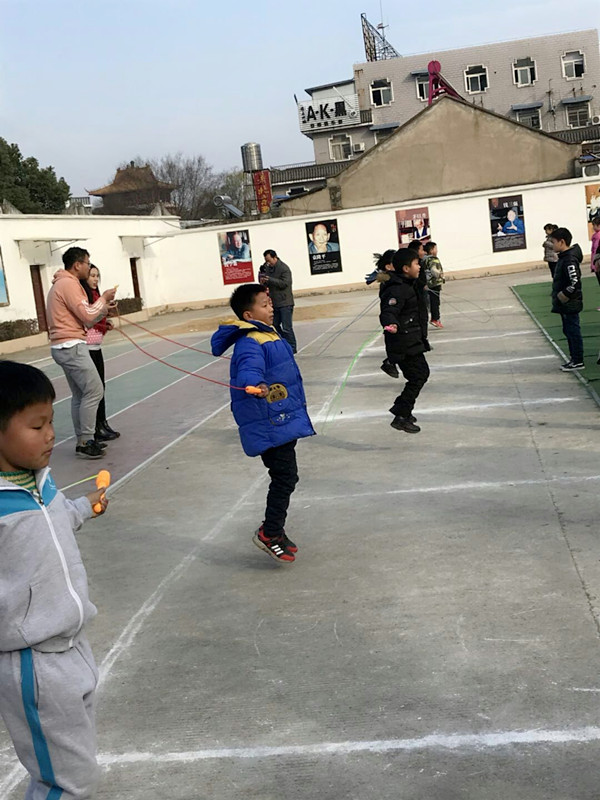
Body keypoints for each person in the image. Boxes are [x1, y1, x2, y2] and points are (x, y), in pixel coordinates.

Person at [0, 360, 108, 799]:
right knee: (67, 781)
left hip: (73, 645)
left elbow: (57, 516)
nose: (50, 435)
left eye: (50, 421)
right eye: (36, 425)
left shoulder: (39, 483)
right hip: (33, 661)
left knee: (68, 767)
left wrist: (86, 505)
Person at [210, 284, 315, 563]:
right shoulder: (250, 341)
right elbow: (248, 367)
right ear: (248, 314)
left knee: (286, 475)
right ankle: (270, 532)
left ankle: (274, 529)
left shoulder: (268, 333)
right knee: (285, 476)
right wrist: (254, 382)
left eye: (270, 303)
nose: (271, 308)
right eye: (264, 305)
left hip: (280, 417)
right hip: (268, 421)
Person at [47, 248, 116, 459]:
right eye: (87, 263)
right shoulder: (69, 284)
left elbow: (85, 316)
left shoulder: (62, 283)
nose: (89, 266)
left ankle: (82, 440)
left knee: (80, 394)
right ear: (77, 265)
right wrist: (103, 299)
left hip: (64, 345)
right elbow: (87, 315)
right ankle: (86, 440)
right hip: (71, 345)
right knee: (94, 390)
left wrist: (103, 310)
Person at [377, 248, 430, 433]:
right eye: (416, 264)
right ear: (406, 268)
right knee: (419, 375)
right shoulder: (398, 289)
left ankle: (403, 411)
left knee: (419, 375)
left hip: (411, 339)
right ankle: (401, 415)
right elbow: (388, 311)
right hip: (403, 341)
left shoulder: (408, 284)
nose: (419, 267)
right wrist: (391, 323)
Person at [80, 265, 121, 443]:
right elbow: (88, 320)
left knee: (101, 387)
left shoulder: (97, 298)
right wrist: (103, 306)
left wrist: (106, 322)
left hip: (96, 347)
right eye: (92, 275)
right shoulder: (86, 298)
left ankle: (103, 423)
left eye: (97, 276)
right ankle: (95, 428)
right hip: (87, 348)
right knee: (94, 390)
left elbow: (96, 319)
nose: (95, 279)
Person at [550, 227, 584, 371]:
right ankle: (574, 359)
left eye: (554, 242)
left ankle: (578, 360)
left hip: (570, 303)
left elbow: (575, 282)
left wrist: (564, 294)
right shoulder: (563, 257)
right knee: (568, 330)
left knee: (573, 331)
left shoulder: (569, 260)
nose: (552, 245)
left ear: (562, 242)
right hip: (565, 304)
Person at [259, 249, 297, 353]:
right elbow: (267, 284)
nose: (268, 263)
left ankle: (292, 347)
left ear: (275, 257)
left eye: (269, 260)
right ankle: (284, 343)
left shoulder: (284, 268)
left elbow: (285, 283)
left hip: (285, 302)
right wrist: (263, 281)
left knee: (287, 327)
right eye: (266, 261)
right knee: (275, 325)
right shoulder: (268, 268)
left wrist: (270, 279)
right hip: (275, 303)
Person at [424, 241, 445, 328]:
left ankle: (436, 318)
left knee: (433, 301)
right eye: (435, 248)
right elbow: (433, 269)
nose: (437, 250)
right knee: (435, 302)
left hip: (429, 284)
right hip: (434, 284)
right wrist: (439, 274)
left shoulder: (425, 259)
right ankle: (435, 319)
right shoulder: (433, 259)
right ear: (432, 250)